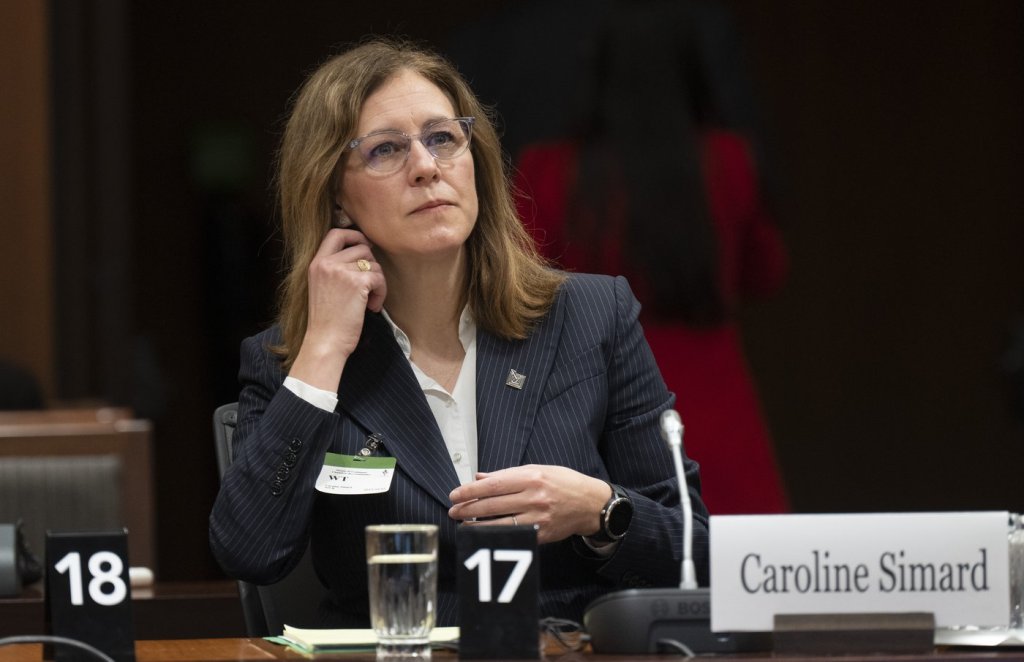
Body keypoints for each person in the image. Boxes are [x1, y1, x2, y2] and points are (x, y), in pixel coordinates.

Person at [209, 37, 709, 628]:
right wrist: (323, 349)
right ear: (336, 196)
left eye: (443, 138)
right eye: (386, 149)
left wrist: (601, 511)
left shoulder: (592, 317)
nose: (426, 166)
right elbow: (250, 551)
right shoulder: (293, 362)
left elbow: (697, 552)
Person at [514, 4, 789, 515]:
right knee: (734, 550)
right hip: (716, 398)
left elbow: (520, 292)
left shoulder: (548, 170)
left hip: (596, 401)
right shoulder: (729, 160)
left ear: (595, 72)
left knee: (612, 537)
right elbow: (766, 271)